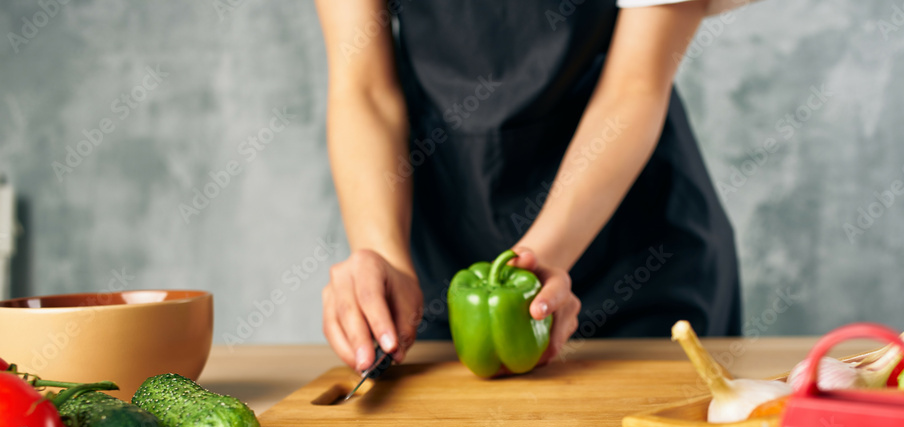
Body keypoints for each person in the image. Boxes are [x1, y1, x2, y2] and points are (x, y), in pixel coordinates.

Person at [317, 0, 747, 373]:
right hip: (436, 248)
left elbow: (635, 87)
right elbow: (364, 88)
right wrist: (384, 255)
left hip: (638, 254)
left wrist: (536, 261)